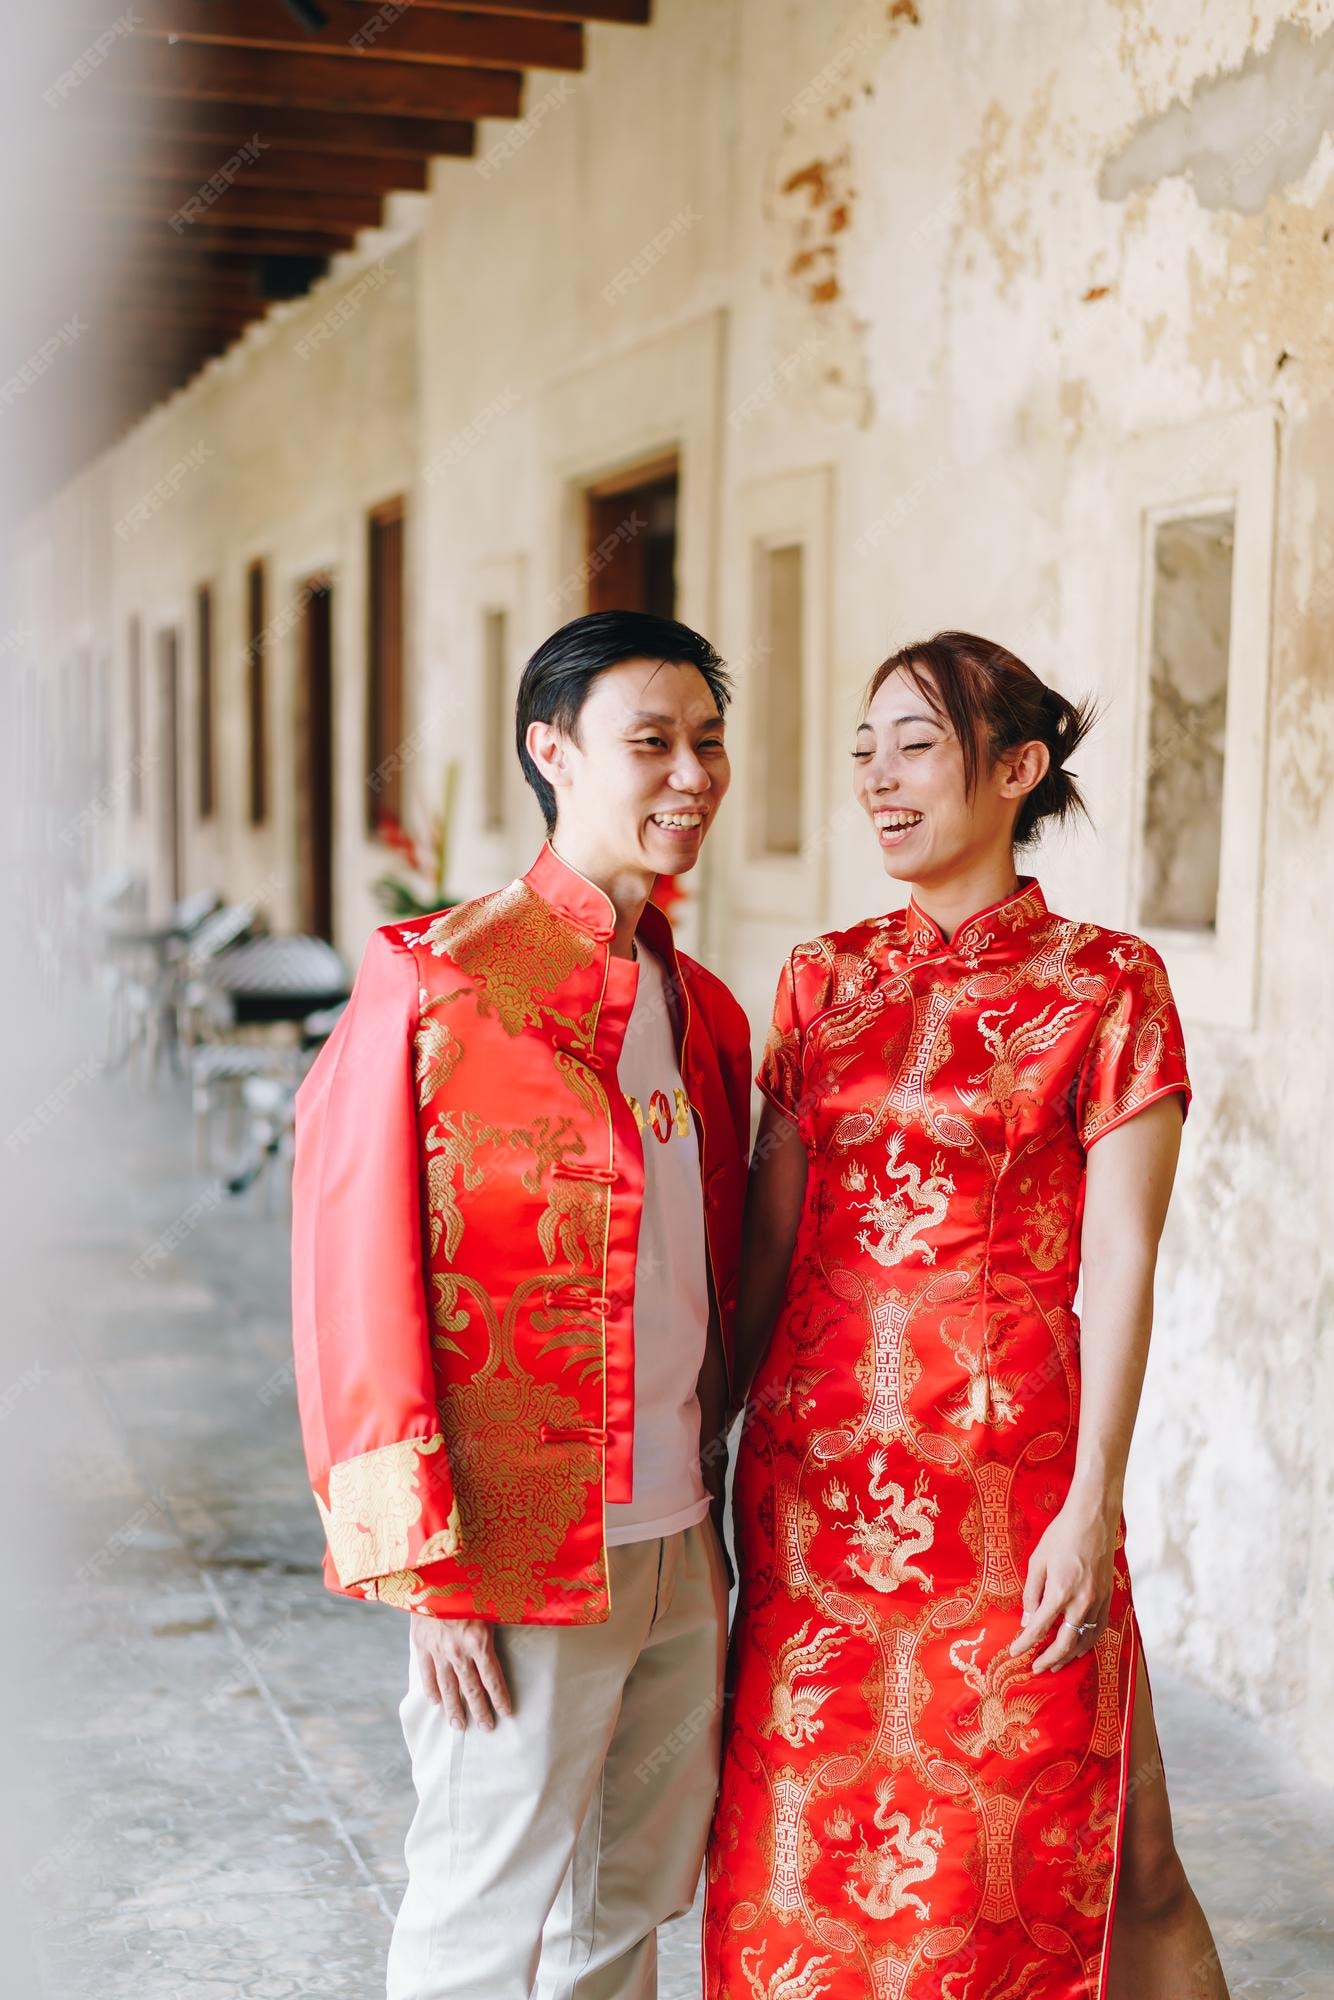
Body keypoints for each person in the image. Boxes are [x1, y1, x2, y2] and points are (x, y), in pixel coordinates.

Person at [705, 632, 1229, 2000]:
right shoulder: (818, 985)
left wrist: (1087, 1503)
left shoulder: (1108, 987)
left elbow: (1120, 1258)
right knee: (814, 1858)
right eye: (863, 748)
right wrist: (707, 1437)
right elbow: (771, 1238)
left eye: (914, 745)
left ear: (1015, 768)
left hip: (1012, 1494)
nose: (878, 777)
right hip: (820, 1493)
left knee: (1106, 1850)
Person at [290, 609, 751, 2000]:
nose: (691, 775)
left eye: (710, 743)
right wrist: (426, 1572)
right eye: (653, 743)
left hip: (680, 1538)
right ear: (552, 753)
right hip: (518, 1557)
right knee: (480, 1926)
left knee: (621, 1915)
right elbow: (348, 1288)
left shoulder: (701, 1004)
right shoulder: (440, 983)